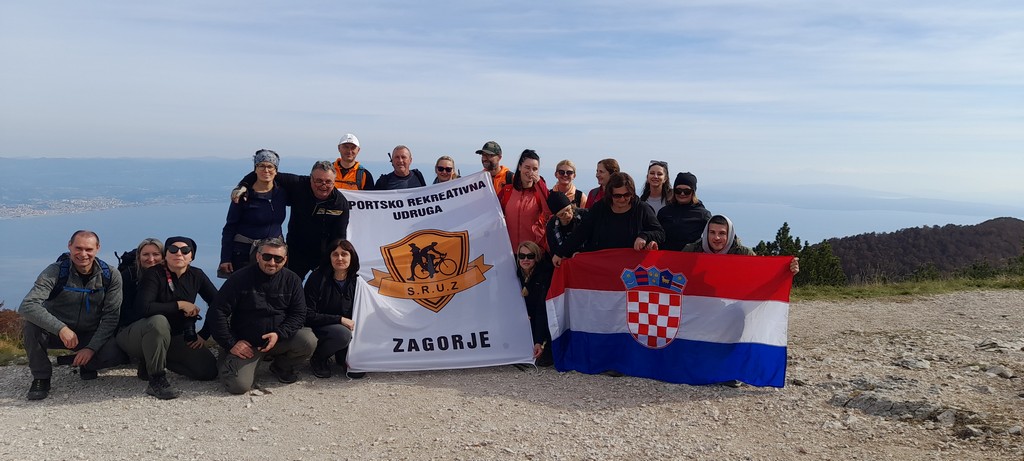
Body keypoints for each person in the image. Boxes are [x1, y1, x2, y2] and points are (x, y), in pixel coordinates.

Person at [18, 230, 125, 400]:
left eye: (89, 249)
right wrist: (61, 328)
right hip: (57, 332)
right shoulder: (55, 271)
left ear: (98, 248)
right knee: (32, 327)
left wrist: (91, 348)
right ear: (69, 246)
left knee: (114, 353)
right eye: (78, 248)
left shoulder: (110, 275)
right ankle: (41, 377)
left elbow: (111, 316)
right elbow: (27, 305)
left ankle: (84, 362)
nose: (83, 254)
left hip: (89, 333)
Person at [208, 238, 316, 394]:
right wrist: (231, 343)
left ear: (285, 259)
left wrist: (279, 334)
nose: (272, 262)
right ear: (258, 256)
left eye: (278, 258)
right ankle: (228, 359)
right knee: (238, 387)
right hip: (248, 344)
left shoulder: (292, 280)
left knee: (308, 340)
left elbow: (299, 314)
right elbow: (217, 311)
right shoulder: (239, 279)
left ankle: (281, 366)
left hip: (278, 340)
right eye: (267, 257)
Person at [117, 236, 218, 399]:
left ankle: (152, 362)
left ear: (192, 256)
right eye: (173, 249)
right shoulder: (153, 274)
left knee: (207, 371)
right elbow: (144, 308)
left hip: (172, 335)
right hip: (137, 334)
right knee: (158, 321)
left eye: (185, 250)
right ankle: (156, 379)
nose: (179, 253)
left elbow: (218, 304)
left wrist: (204, 334)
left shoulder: (197, 275)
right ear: (166, 255)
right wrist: (180, 305)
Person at [231, 160, 351, 280]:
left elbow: (339, 237)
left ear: (334, 182)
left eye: (328, 182)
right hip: (296, 251)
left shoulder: (340, 204)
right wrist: (243, 185)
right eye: (318, 181)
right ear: (310, 178)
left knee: (323, 287)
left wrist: (335, 260)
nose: (323, 185)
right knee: (289, 285)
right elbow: (266, 174)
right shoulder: (298, 184)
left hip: (323, 254)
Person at [556, 172, 664, 259]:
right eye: (617, 196)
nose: (622, 199)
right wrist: (560, 253)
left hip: (631, 266)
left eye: (627, 195)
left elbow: (660, 233)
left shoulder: (642, 209)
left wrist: (644, 236)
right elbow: (581, 232)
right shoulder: (599, 208)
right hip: (603, 265)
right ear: (610, 194)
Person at [219, 149, 286, 277]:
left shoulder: (282, 193)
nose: (266, 170)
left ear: (276, 170)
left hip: (273, 254)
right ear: (255, 169)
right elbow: (229, 227)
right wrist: (225, 258)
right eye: (261, 166)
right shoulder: (243, 195)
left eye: (270, 166)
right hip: (244, 254)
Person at [303, 239, 362, 378]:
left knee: (356, 372)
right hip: (320, 327)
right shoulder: (317, 278)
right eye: (335, 254)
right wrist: (339, 319)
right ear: (329, 257)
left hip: (350, 329)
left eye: (344, 254)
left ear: (352, 257)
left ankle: (341, 355)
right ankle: (319, 358)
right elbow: (307, 315)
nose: (339, 258)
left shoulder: (358, 281)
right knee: (342, 335)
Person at [498, 149, 551, 252]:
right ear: (520, 167)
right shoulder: (507, 191)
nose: (531, 172)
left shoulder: (539, 192)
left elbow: (549, 211)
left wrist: (539, 183)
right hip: (509, 252)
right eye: (527, 167)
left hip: (533, 252)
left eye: (535, 169)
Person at [516, 241, 554, 367]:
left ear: (536, 257)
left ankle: (547, 348)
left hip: (543, 315)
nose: (525, 260)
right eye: (522, 256)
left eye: (530, 256)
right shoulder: (515, 274)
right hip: (526, 315)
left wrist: (538, 341)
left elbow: (541, 309)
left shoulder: (545, 274)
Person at [658, 172, 712, 251]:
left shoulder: (703, 214)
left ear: (693, 192)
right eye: (678, 190)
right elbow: (656, 233)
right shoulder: (664, 212)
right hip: (664, 256)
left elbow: (712, 236)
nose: (682, 194)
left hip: (690, 256)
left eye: (687, 191)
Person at [119, 238, 164, 329]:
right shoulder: (128, 276)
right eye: (146, 254)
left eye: (156, 254)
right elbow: (124, 311)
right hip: (130, 326)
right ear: (139, 257)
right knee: (158, 321)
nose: (151, 259)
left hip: (164, 326)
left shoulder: (170, 277)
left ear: (163, 257)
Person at [544, 192, 585, 268]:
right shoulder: (551, 226)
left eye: (568, 210)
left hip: (585, 257)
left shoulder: (584, 215)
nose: (567, 215)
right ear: (556, 215)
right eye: (562, 214)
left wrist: (581, 252)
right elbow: (554, 251)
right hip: (565, 262)